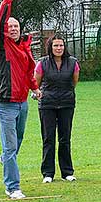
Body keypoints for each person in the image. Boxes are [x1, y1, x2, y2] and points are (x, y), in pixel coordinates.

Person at [0, 0, 41, 199]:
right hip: (6, 102)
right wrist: (7, 0)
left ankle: (5, 157)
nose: (12, 29)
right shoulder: (0, 47)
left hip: (22, 102)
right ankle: (13, 187)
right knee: (11, 146)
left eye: (16, 27)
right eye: (9, 27)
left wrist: (35, 89)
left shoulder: (24, 47)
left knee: (17, 140)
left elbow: (28, 73)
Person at [34, 34, 80, 183]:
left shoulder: (73, 63)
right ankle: (48, 173)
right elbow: (36, 82)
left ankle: (67, 172)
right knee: (48, 138)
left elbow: (74, 82)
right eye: (55, 45)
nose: (59, 48)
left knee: (65, 138)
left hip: (66, 103)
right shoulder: (42, 63)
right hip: (47, 104)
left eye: (61, 45)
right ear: (50, 47)